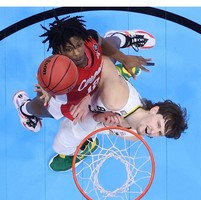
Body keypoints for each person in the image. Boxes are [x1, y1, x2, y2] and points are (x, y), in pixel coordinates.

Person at [13, 15, 156, 132]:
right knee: (47, 111)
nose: (76, 52)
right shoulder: (59, 73)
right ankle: (24, 109)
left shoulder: (89, 39)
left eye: (78, 45)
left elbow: (101, 43)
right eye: (69, 49)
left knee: (107, 49)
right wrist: (46, 91)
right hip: (76, 96)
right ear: (60, 51)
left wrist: (125, 59)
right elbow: (46, 83)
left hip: (95, 75)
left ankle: (122, 37)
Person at [49, 56, 188, 172]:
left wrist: (100, 120)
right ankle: (119, 73)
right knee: (51, 101)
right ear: (154, 110)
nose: (154, 131)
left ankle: (87, 144)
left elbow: (101, 129)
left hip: (93, 116)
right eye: (158, 124)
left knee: (60, 146)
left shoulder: (134, 136)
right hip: (85, 93)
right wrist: (86, 96)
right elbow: (102, 60)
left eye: (160, 133)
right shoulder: (117, 100)